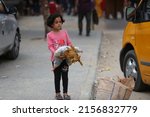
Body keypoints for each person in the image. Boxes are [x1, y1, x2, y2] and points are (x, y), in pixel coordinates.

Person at [47, 13, 72, 100]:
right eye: (56, 22)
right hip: (56, 60)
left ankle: (65, 93)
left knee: (65, 76)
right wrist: (56, 53)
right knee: (57, 77)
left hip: (65, 59)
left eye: (60, 22)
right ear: (51, 24)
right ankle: (58, 93)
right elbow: (50, 46)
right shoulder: (49, 35)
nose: (59, 24)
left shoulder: (64, 32)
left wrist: (72, 50)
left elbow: (69, 43)